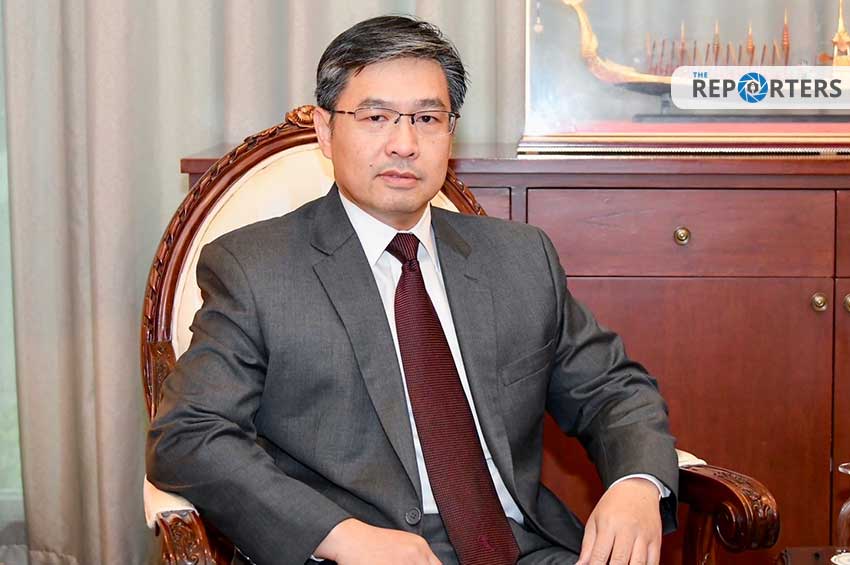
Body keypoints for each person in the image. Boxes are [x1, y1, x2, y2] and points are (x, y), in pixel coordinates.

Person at [146, 15, 678, 565]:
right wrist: (342, 536)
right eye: (375, 117)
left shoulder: (520, 259)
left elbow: (615, 389)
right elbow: (189, 435)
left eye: (427, 118)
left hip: (525, 549)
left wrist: (637, 484)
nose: (404, 144)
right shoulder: (256, 269)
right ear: (325, 130)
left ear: (451, 133)